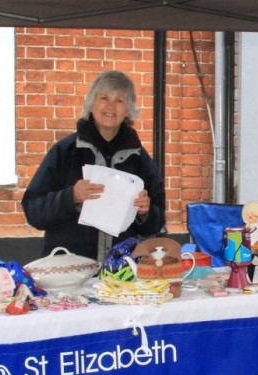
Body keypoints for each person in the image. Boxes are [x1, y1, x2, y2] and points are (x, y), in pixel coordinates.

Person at [23, 70, 166, 261]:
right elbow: (33, 210)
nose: (110, 106)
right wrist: (70, 196)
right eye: (104, 98)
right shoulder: (65, 152)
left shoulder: (140, 159)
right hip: (70, 273)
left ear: (128, 111)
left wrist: (145, 212)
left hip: (122, 274)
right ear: (91, 104)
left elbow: (156, 223)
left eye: (120, 100)